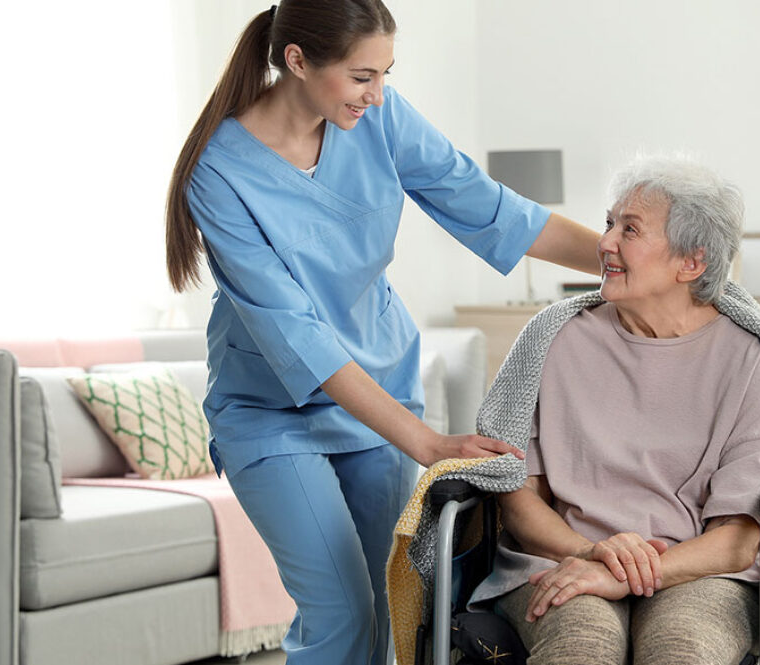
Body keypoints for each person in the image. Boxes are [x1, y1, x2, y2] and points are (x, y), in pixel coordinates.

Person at [163, 2, 598, 664]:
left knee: (396, 605)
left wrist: (625, 262)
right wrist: (427, 441)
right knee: (340, 610)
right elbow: (298, 336)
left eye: (386, 73)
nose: (379, 93)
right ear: (297, 60)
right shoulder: (218, 174)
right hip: (273, 415)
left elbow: (487, 206)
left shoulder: (377, 119)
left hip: (381, 394)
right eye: (363, 75)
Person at [468, 155, 760, 665]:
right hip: (562, 554)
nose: (604, 243)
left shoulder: (750, 362)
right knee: (581, 648)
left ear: (692, 262)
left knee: (682, 651)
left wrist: (627, 573)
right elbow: (518, 495)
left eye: (630, 229)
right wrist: (588, 555)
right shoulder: (552, 340)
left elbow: (737, 539)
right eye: (609, 223)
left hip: (699, 570)